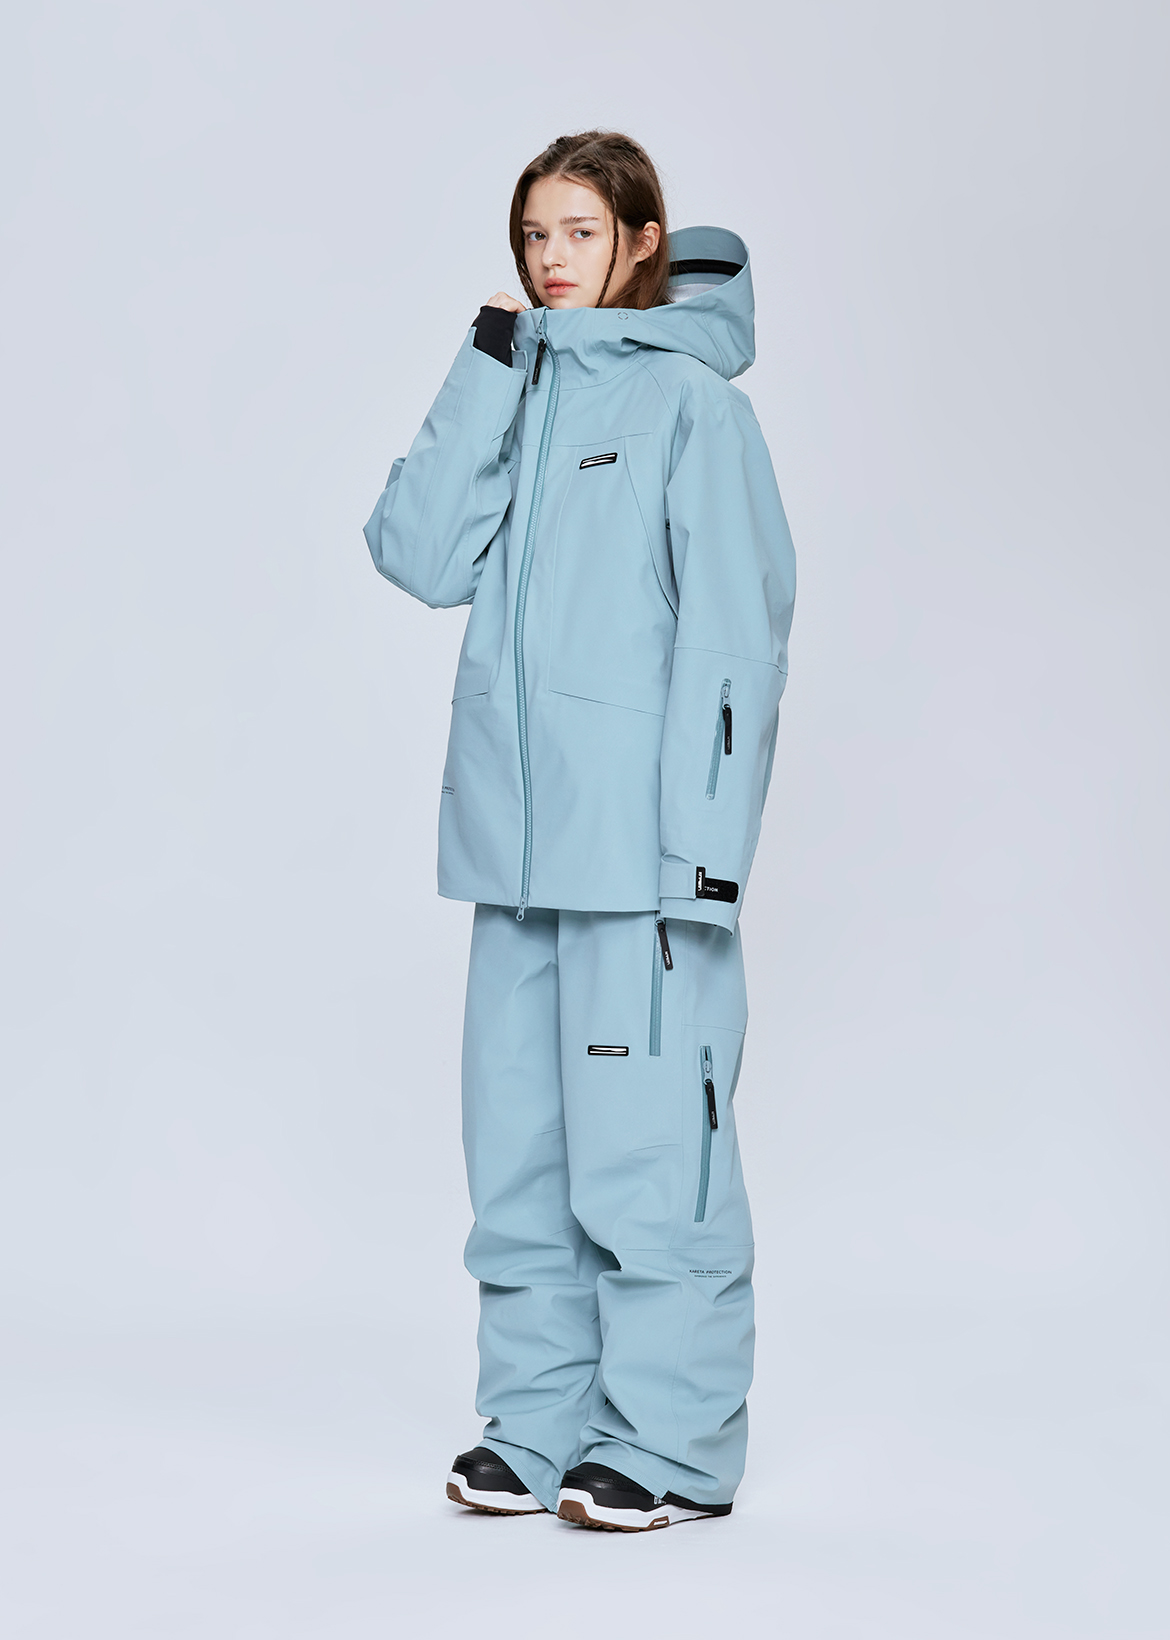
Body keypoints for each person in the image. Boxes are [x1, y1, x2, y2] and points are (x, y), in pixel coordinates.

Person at [363, 131, 796, 1532]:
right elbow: (417, 554)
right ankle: (538, 1423)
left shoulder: (692, 408)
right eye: (533, 234)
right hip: (513, 852)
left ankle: (670, 1443)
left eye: (579, 232)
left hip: (643, 860)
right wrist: (485, 369)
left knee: (648, 1156)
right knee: (522, 1161)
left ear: (642, 240)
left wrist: (703, 858)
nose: (551, 259)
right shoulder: (521, 386)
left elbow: (735, 644)